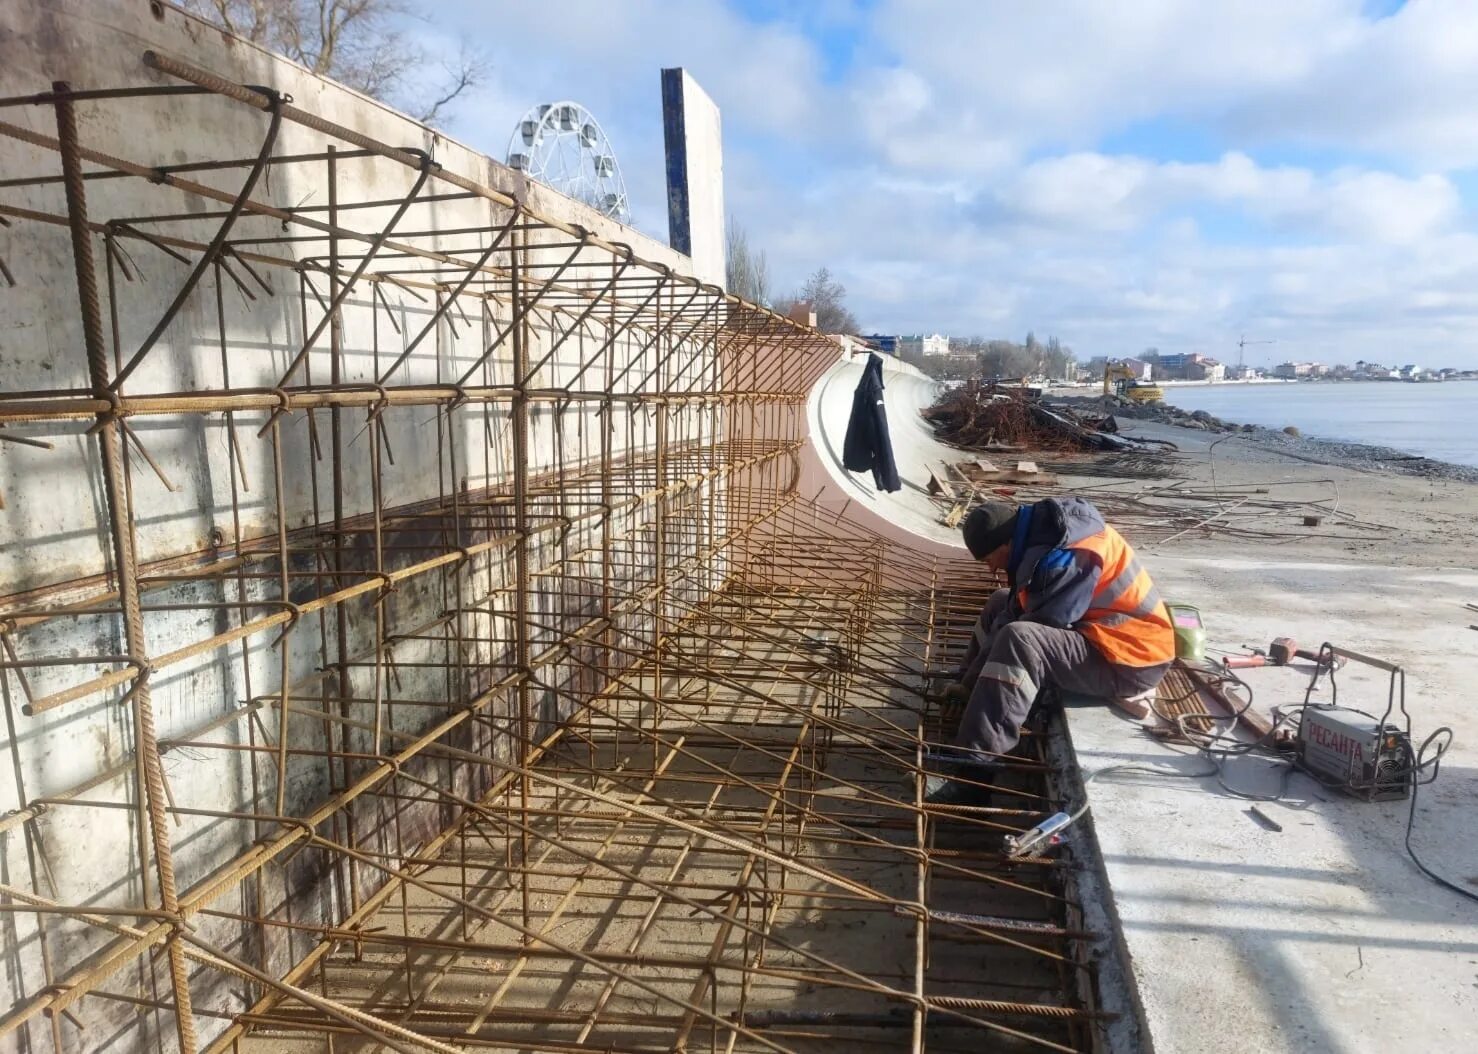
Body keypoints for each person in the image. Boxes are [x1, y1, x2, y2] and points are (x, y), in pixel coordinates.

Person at [926, 497, 1175, 804]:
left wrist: (981, 673)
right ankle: (972, 701)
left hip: (1128, 658)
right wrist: (965, 682)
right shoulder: (1045, 537)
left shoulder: (1066, 557)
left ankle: (974, 774)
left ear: (1005, 544)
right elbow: (1012, 610)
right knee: (998, 602)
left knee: (1021, 640)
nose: (991, 569)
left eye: (989, 559)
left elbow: (1036, 625)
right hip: (1104, 638)